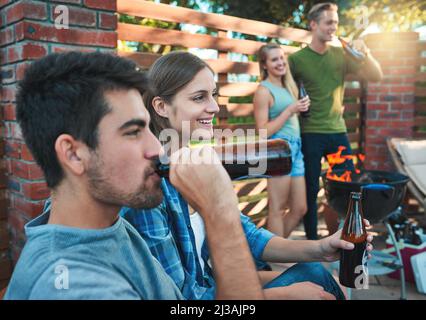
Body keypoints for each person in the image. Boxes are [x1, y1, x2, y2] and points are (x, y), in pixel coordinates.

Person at [4, 51, 265, 300]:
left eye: (148, 128)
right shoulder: (75, 286)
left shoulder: (112, 227)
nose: (156, 148)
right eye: (132, 132)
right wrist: (220, 214)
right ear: (73, 155)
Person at [121, 51, 374, 300]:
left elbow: (249, 236)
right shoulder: (149, 188)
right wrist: (282, 296)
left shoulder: (197, 165)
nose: (214, 107)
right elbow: (182, 297)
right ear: (162, 106)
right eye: (199, 98)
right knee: (314, 284)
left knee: (316, 272)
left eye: (214, 95)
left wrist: (322, 248)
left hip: (209, 286)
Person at [288, 3, 383, 240]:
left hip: (337, 132)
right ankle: (312, 243)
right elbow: (287, 92)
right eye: (328, 22)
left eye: (336, 23)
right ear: (313, 25)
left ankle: (346, 239)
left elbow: (376, 76)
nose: (334, 27)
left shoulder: (342, 54)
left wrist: (366, 52)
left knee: (349, 189)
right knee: (310, 191)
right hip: (310, 134)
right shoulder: (297, 59)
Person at [253, 43, 309, 238]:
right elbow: (262, 132)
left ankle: (272, 251)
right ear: (265, 64)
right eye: (274, 59)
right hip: (278, 150)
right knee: (277, 209)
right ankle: (277, 260)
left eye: (282, 57)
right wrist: (290, 111)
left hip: (296, 149)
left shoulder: (288, 86)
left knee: (300, 208)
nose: (280, 62)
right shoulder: (263, 91)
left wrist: (300, 108)